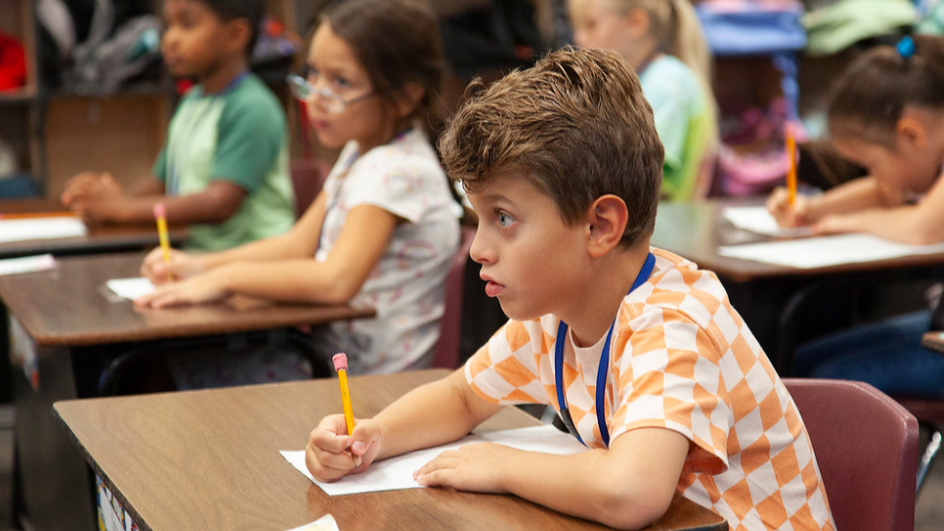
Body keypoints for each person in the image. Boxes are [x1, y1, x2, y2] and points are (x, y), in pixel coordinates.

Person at [304, 47, 834, 531]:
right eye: (480, 218)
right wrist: (372, 436)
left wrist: (504, 466)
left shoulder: (674, 322)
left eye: (504, 218)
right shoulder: (553, 317)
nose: (477, 249)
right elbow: (462, 397)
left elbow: (631, 493)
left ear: (599, 227)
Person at [133, 0, 459, 382]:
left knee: (187, 368)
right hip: (328, 361)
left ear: (405, 96)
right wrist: (199, 266)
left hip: (367, 384)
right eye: (314, 74)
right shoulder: (362, 152)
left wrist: (225, 279)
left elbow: (334, 281)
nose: (316, 96)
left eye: (341, 82)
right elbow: (295, 245)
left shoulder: (395, 171)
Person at [768, 35, 944, 397]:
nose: (875, 176)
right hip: (937, 323)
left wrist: (841, 223)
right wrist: (813, 209)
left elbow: (921, 227)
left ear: (911, 134)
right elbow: (887, 191)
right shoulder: (927, 152)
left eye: (872, 164)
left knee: (831, 382)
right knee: (794, 366)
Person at [60, 0, 295, 252]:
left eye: (187, 24)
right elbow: (161, 180)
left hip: (251, 265)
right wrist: (105, 203)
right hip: (197, 260)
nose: (169, 39)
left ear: (235, 35)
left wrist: (123, 208)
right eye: (168, 25)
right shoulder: (192, 101)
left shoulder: (252, 107)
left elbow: (220, 203)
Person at [567, 0, 717, 201]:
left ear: (635, 23)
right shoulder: (648, 80)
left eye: (591, 24)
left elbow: (645, 179)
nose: (578, 37)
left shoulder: (667, 83)